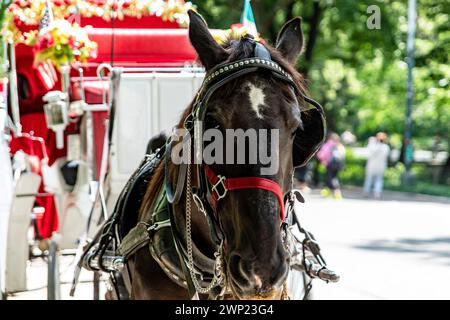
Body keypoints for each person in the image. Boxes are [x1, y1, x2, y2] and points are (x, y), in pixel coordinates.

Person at [317, 133, 346, 199]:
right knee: (334, 177)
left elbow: (321, 154)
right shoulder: (339, 145)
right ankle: (333, 193)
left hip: (330, 164)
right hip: (337, 165)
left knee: (330, 178)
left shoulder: (329, 144)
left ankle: (335, 192)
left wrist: (323, 161)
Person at [363, 132, 390, 199]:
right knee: (379, 179)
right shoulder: (386, 147)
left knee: (369, 179)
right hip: (381, 166)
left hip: (371, 165)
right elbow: (386, 157)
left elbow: (368, 155)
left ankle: (366, 192)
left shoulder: (372, 146)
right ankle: (377, 193)